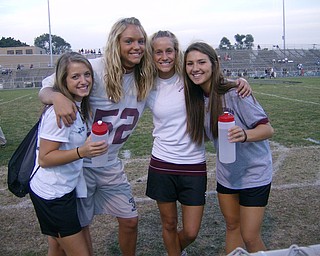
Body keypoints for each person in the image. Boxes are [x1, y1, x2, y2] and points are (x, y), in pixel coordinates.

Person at [38, 17, 154, 256]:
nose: (137, 46)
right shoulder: (94, 69)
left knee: (130, 220)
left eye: (141, 41)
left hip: (110, 163)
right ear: (115, 43)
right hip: (79, 165)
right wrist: (57, 97)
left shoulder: (147, 74)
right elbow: (48, 87)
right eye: (129, 41)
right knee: (75, 231)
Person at [146, 31, 252, 256]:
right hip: (162, 163)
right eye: (158, 51)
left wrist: (239, 82)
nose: (164, 56)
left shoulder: (189, 78)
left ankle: (174, 250)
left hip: (193, 164)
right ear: (151, 55)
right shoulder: (146, 84)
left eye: (169, 51)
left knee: (192, 231)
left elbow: (215, 82)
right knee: (168, 224)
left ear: (177, 53)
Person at [183, 42, 274, 254]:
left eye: (201, 62)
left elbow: (267, 129)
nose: (195, 68)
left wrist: (244, 135)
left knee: (250, 236)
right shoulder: (195, 99)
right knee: (232, 227)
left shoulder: (235, 92)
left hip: (254, 172)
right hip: (227, 174)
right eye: (190, 64)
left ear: (214, 64)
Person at [29, 52, 108, 256]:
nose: (84, 81)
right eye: (75, 77)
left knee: (56, 247)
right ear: (63, 80)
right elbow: (45, 158)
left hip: (63, 189)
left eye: (87, 75)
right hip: (52, 195)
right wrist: (83, 151)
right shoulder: (62, 112)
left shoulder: (75, 105)